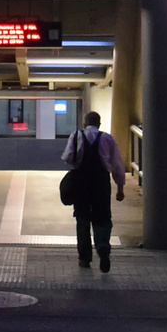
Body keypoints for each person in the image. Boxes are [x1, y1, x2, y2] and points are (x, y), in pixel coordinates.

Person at [62, 111, 125, 272]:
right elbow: (117, 165)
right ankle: (102, 245)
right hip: (101, 183)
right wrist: (120, 187)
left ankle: (84, 258)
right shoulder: (107, 138)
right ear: (99, 124)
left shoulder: (76, 135)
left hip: (81, 183)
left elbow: (68, 157)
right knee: (102, 217)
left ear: (84, 123)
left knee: (82, 220)